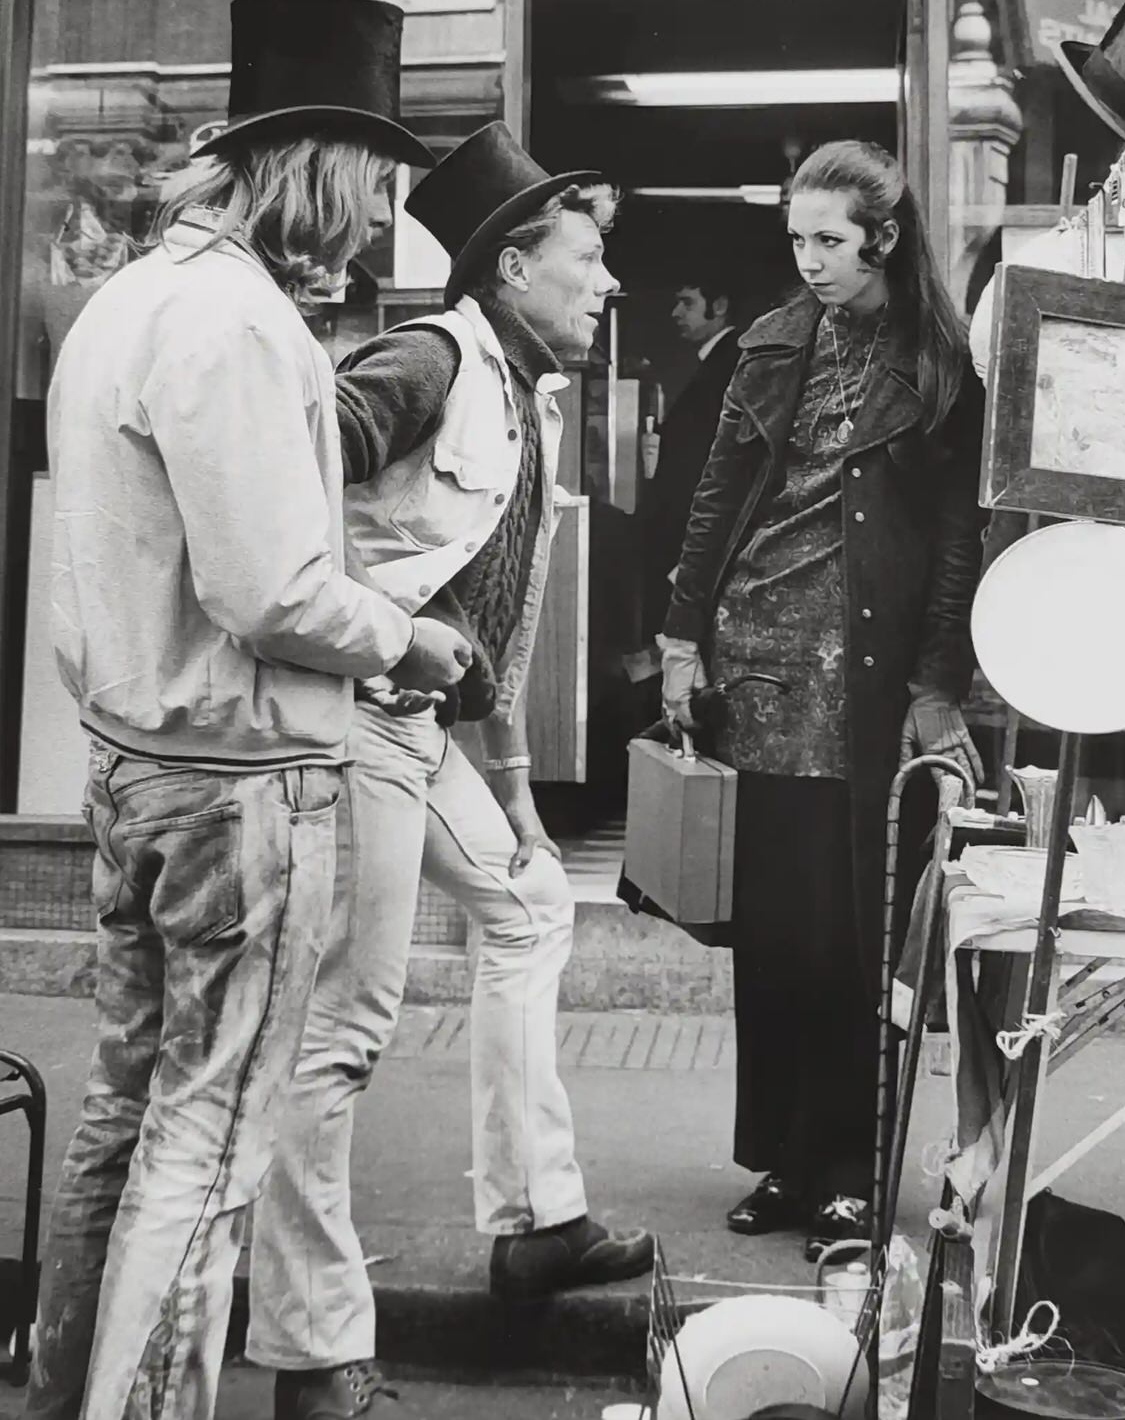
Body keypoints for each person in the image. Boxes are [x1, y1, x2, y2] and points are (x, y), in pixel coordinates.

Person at [27, 0, 471, 1420]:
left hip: (130, 757)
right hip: (233, 780)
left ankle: (59, 1392)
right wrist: (411, 638)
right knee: (208, 1143)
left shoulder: (126, 306)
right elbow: (274, 589)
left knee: (126, 1110)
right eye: (381, 185)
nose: (381, 219)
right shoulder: (235, 323)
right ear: (329, 170)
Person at [247, 122, 654, 1417]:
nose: (608, 284)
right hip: (345, 717)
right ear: (514, 266)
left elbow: (488, 627)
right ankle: (313, 1355)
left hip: (419, 727)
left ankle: (536, 1222)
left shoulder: (524, 398)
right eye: (586, 259)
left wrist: (523, 796)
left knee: (532, 903)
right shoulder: (427, 359)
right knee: (343, 1028)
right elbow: (283, 479)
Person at [659, 139, 987, 1260]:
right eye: (795, 239)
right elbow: (716, 495)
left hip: (867, 679)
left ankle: (850, 1168)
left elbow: (957, 539)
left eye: (830, 242)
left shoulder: (938, 363)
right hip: (757, 666)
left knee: (855, 936)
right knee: (775, 937)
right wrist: (677, 635)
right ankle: (788, 1163)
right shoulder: (769, 343)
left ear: (882, 239)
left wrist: (941, 682)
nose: (807, 260)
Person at [642, 274, 744, 640]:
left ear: (718, 307)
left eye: (687, 302)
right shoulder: (714, 362)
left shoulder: (728, 364)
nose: (675, 313)